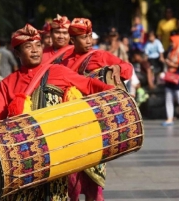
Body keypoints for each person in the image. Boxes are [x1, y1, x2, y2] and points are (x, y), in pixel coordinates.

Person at [0, 23, 114, 201]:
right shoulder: (8, 83)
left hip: (56, 156)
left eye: (38, 45)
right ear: (17, 53)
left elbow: (89, 85)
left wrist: (113, 92)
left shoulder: (58, 72)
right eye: (28, 47)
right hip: (23, 158)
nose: (35, 50)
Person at [60, 18, 132, 201]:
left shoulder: (99, 56)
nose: (89, 41)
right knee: (71, 179)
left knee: (94, 184)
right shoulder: (63, 60)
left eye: (90, 36)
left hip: (94, 124)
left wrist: (117, 68)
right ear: (72, 40)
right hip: (71, 124)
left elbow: (127, 68)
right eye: (83, 37)